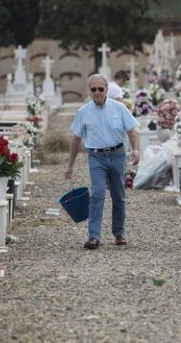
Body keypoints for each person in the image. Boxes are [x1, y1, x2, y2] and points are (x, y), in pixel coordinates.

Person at [65, 74, 140, 249]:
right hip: (96, 156)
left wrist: (135, 149)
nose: (97, 92)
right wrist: (70, 165)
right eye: (93, 89)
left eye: (101, 89)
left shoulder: (119, 108)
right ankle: (94, 236)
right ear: (89, 91)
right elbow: (76, 140)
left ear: (106, 89)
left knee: (119, 196)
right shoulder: (84, 112)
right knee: (97, 194)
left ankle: (119, 233)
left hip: (117, 154)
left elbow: (132, 131)